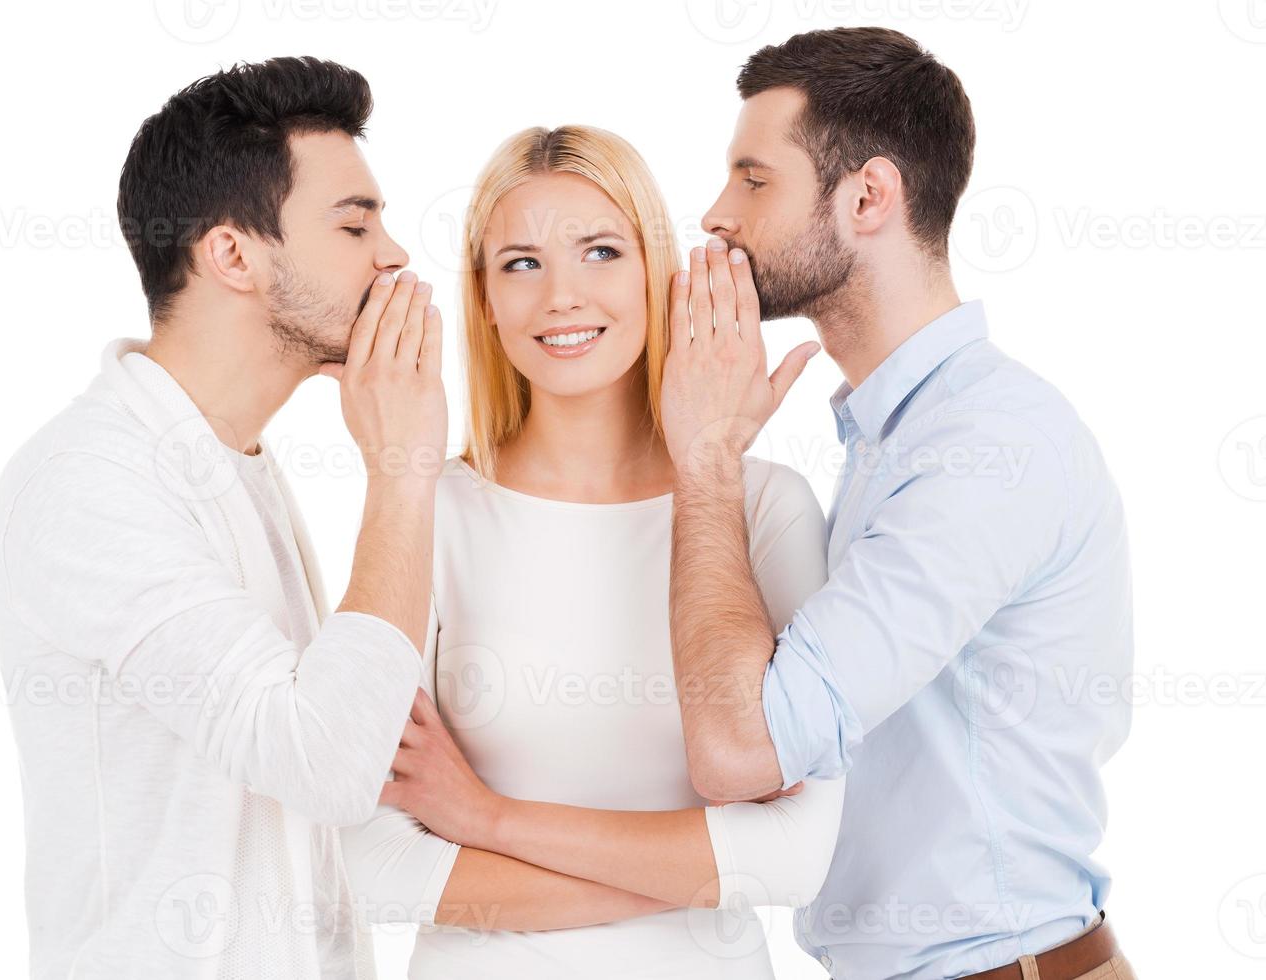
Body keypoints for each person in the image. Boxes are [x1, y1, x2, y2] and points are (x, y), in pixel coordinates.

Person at [659, 28, 1136, 980]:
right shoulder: (894, 436)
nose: (715, 215)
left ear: (867, 197)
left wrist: (705, 459)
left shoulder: (983, 446)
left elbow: (742, 750)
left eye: (754, 180)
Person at [340, 124, 845, 980]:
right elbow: (378, 867)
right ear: (485, 299)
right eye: (522, 264)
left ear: (658, 275)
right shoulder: (429, 506)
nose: (561, 297)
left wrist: (486, 819)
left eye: (602, 252)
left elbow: (797, 860)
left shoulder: (761, 508)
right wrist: (702, 872)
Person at [0, 57, 447, 978]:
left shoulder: (228, 458)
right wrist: (402, 469)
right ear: (232, 254)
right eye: (355, 223)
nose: (392, 255)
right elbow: (322, 762)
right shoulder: (92, 480)